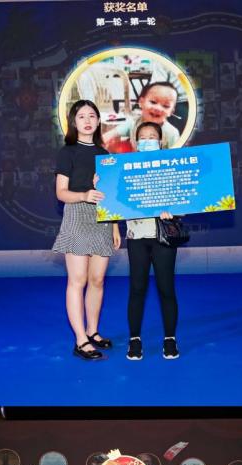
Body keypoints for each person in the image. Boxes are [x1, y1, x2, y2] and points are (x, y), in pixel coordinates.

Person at [53, 99, 121, 361]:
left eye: (92, 115)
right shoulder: (67, 152)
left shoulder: (105, 155)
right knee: (77, 280)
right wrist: (84, 194)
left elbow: (111, 195)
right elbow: (61, 193)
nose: (87, 120)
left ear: (98, 120)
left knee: (97, 280)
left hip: (103, 219)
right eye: (81, 116)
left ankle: (93, 331)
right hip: (77, 215)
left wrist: (115, 226)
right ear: (73, 122)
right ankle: (80, 340)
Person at [125, 122, 180, 362]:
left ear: (161, 141)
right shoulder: (124, 168)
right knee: (137, 289)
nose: (148, 140)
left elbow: (186, 201)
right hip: (136, 237)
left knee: (166, 289)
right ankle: (134, 339)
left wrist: (173, 212)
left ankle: (170, 338)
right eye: (143, 137)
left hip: (163, 237)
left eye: (152, 136)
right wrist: (100, 183)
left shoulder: (173, 167)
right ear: (136, 142)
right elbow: (113, 200)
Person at [106, 81, 181, 153]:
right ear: (141, 102)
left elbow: (176, 155)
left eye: (166, 106)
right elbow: (110, 134)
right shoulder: (133, 123)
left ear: (171, 112)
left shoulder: (171, 133)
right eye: (153, 102)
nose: (158, 108)